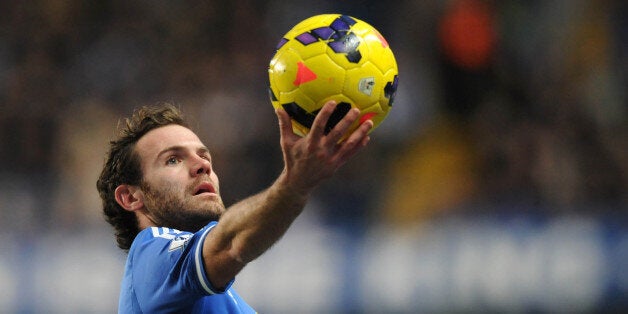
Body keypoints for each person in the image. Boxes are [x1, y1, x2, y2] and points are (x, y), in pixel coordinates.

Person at [96, 101, 373, 313]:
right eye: (172, 160)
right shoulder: (150, 255)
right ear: (130, 198)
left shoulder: (215, 298)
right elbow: (229, 244)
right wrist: (294, 185)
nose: (203, 165)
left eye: (204, 156)